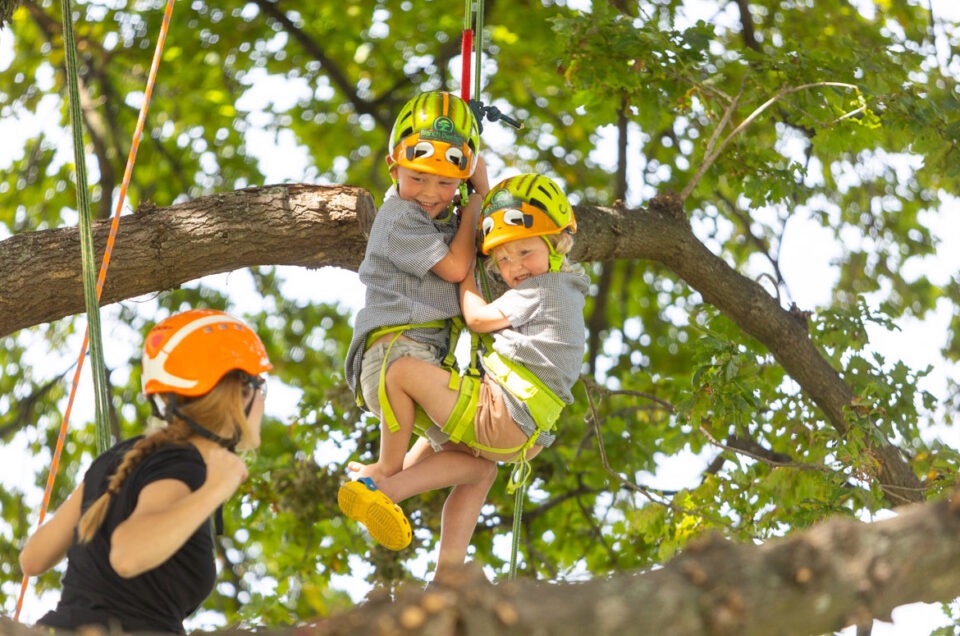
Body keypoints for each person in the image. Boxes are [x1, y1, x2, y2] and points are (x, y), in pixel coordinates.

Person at [343, 174, 588, 584]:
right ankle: (447, 578)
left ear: (558, 243)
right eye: (503, 260)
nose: (514, 268)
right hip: (518, 435)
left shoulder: (545, 290)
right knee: (477, 472)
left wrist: (469, 272)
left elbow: (475, 318)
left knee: (399, 371)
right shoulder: (562, 288)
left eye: (524, 252)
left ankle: (385, 483)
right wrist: (478, 191)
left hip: (502, 412)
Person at [19, 309, 272, 634]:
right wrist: (215, 490)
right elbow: (128, 555)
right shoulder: (187, 465)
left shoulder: (122, 457)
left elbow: (33, 559)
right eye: (260, 387)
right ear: (242, 392)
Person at [339, 91, 490, 554]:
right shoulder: (396, 218)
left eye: (447, 183)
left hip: (422, 362)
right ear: (393, 167)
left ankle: (447, 576)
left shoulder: (442, 217)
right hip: (393, 356)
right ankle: (383, 481)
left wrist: (480, 188)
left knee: (479, 463)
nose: (430, 193)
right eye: (418, 177)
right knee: (401, 466)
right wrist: (476, 202)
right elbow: (454, 268)